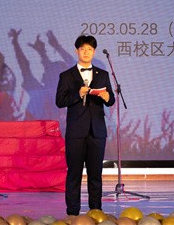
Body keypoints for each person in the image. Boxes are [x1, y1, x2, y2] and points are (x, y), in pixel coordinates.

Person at [55, 34, 115, 216]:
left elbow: (111, 100)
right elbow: (60, 101)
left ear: (94, 52)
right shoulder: (67, 76)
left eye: (90, 49)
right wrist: (78, 94)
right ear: (77, 51)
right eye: (83, 49)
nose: (86, 52)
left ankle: (95, 211)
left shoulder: (103, 74)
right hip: (75, 132)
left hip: (97, 132)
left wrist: (107, 97)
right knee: (74, 173)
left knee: (95, 174)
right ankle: (73, 213)